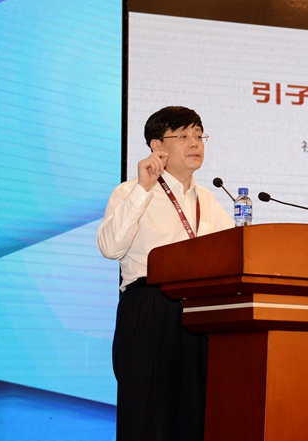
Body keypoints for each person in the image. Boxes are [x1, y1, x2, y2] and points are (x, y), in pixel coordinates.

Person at [97, 106, 234, 440]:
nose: (195, 143)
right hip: (151, 308)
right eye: (183, 135)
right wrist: (143, 189)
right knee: (147, 418)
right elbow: (110, 248)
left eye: (199, 135)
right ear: (157, 146)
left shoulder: (209, 200)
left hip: (200, 314)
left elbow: (233, 256)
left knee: (196, 419)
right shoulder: (130, 191)